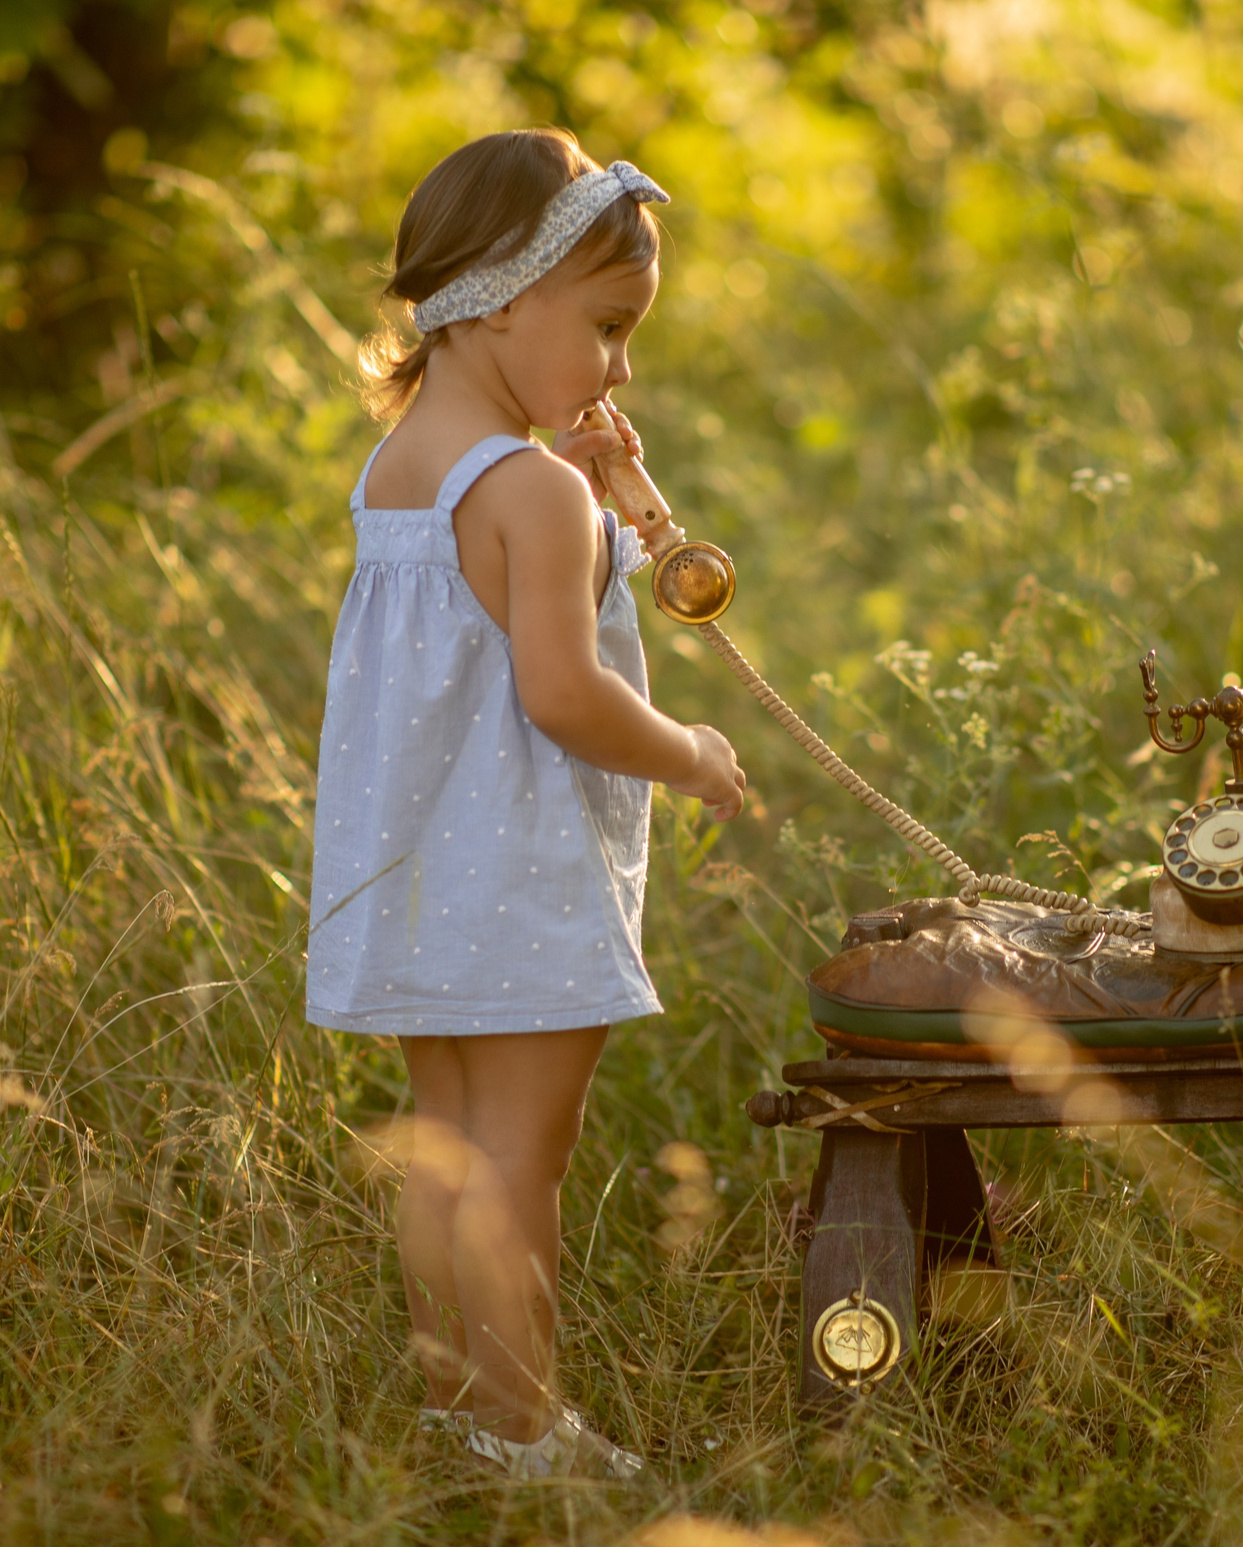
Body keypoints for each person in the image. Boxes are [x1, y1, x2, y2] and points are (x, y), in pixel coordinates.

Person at [305, 129, 747, 1480]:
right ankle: (522, 1426)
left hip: (418, 867)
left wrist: (628, 498)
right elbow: (561, 692)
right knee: (524, 1159)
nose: (620, 367)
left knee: (450, 1143)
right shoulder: (535, 490)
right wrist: (689, 752)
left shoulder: (403, 473)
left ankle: (459, 1413)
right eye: (609, 329)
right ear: (501, 295)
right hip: (523, 866)